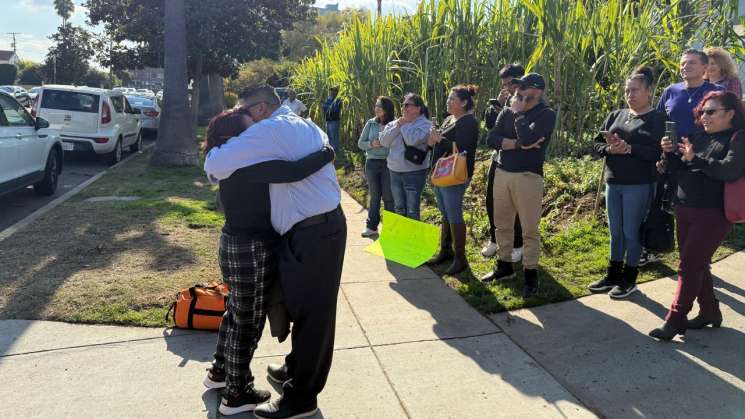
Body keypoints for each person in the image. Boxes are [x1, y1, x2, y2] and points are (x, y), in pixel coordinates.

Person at [205, 85, 346, 419]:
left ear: (260, 109)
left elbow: (214, 163)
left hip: (315, 231)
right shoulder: (297, 122)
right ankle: (294, 370)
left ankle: (301, 399)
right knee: (303, 310)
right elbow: (293, 169)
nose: (242, 118)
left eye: (243, 111)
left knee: (313, 317)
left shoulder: (270, 129)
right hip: (312, 229)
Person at [650, 90, 745, 340]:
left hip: (714, 213)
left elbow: (729, 170)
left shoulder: (738, 137)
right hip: (685, 207)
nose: (705, 116)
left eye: (711, 111)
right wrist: (668, 156)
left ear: (730, 113)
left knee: (689, 264)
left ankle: (676, 318)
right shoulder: (696, 137)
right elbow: (680, 168)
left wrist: (696, 158)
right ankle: (710, 311)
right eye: (702, 112)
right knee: (696, 263)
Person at [587, 67, 665, 299]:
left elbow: (657, 152)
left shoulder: (657, 119)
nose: (630, 95)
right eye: (627, 90)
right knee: (615, 232)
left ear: (649, 92)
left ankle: (629, 279)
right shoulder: (616, 115)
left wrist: (630, 149)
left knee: (631, 232)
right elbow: (595, 145)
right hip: (614, 182)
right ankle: (613, 274)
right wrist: (609, 148)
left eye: (636, 90)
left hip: (639, 184)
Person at [644, 48, 724, 266]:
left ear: (705, 67)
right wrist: (662, 146)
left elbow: (727, 126)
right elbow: (659, 123)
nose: (685, 66)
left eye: (691, 63)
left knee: (696, 210)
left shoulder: (716, 93)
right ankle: (657, 248)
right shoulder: (671, 91)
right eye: (682, 63)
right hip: (672, 158)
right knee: (668, 205)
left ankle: (697, 257)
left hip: (701, 160)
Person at [480, 73, 556, 298]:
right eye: (518, 90)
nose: (518, 93)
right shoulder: (508, 109)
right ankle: (504, 267)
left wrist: (519, 114)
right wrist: (517, 144)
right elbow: (491, 139)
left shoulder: (546, 114)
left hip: (528, 176)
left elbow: (529, 135)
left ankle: (530, 274)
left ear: (538, 91)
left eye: (524, 90)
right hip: (503, 172)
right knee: (502, 225)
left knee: (529, 229)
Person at [426, 85, 480, 274]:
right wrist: (433, 141)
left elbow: (464, 150)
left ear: (464, 102)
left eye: (452, 99)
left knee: (454, 214)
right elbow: (440, 145)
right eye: (448, 99)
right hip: (442, 173)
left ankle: (460, 258)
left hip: (455, 174)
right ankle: (445, 251)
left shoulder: (468, 122)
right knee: (446, 213)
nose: (448, 102)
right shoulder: (450, 118)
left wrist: (440, 140)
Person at [482, 63, 526, 262]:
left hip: (518, 162)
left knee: (515, 206)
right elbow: (492, 130)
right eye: (505, 84)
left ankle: (518, 244)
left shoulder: (529, 102)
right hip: (498, 157)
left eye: (510, 83)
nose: (507, 88)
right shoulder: (506, 100)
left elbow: (523, 135)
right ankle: (494, 239)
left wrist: (510, 111)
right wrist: (497, 109)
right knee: (491, 200)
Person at [379, 93, 433, 220]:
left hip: (414, 173)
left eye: (407, 105)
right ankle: (402, 239)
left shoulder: (426, 124)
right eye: (403, 105)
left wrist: (404, 125)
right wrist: (398, 125)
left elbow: (411, 140)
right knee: (399, 208)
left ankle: (413, 239)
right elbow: (384, 142)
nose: (403, 108)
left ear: (418, 108)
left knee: (412, 210)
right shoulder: (396, 123)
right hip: (394, 172)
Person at [357, 96, 395, 237]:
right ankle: (371, 226)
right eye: (376, 105)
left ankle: (390, 229)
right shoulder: (371, 123)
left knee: (389, 197)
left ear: (387, 109)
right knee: (374, 196)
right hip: (372, 163)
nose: (376, 108)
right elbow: (361, 143)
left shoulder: (394, 124)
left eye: (380, 106)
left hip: (388, 164)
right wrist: (371, 145)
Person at [322, 86, 342, 151]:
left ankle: (335, 151)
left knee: (334, 137)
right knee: (329, 136)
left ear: (336, 92)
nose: (332, 92)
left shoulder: (338, 100)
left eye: (333, 91)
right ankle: (330, 150)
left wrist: (329, 104)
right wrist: (328, 102)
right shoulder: (328, 99)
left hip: (334, 121)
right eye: (331, 90)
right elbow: (324, 108)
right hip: (328, 120)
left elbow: (335, 109)